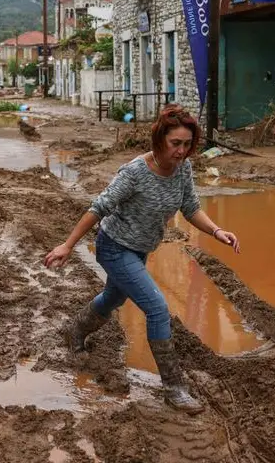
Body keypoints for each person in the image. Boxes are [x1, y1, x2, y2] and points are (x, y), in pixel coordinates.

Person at [44, 104, 240, 415]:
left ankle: (76, 330)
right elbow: (98, 207)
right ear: (160, 139)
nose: (181, 150)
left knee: (112, 298)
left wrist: (217, 231)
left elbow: (190, 208)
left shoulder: (184, 169)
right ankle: (174, 387)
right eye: (176, 143)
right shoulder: (135, 173)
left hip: (140, 248)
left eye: (187, 144)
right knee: (157, 308)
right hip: (113, 247)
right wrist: (67, 245)